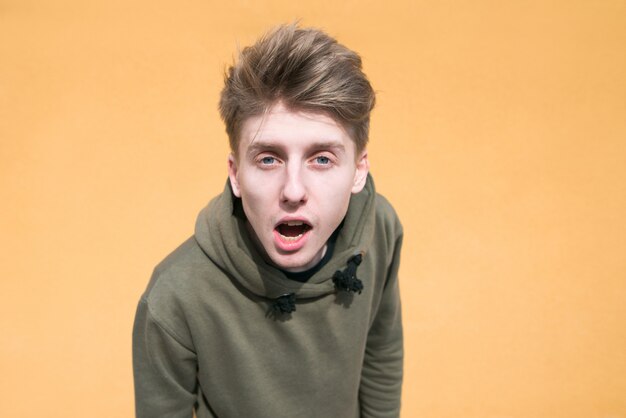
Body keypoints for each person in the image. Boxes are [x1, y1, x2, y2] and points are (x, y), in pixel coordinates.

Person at [132, 23, 404, 418]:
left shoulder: (380, 229)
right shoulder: (174, 298)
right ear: (236, 174)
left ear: (359, 170)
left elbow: (382, 350)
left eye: (322, 159)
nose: (293, 190)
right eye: (269, 159)